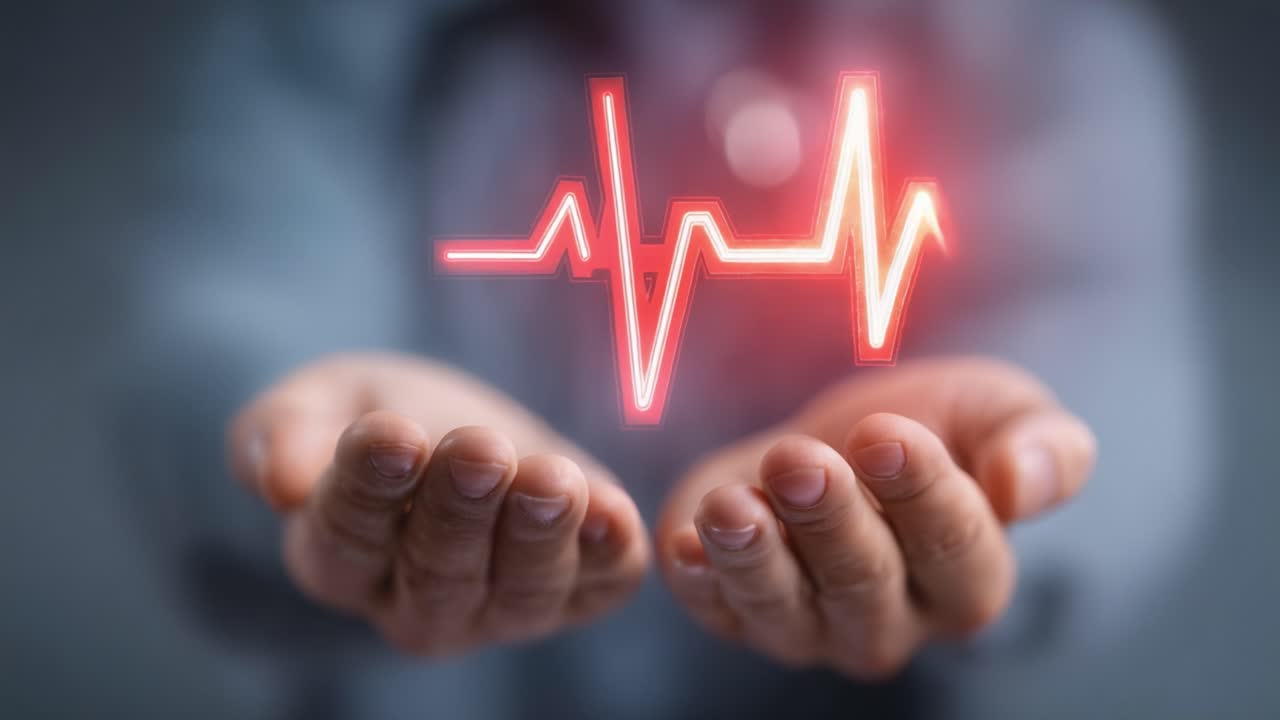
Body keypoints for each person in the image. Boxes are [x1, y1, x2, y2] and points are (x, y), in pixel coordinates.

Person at [2, 0, 1210, 717]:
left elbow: (1107, 339)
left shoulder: (1025, 43)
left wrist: (1011, 488)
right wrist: (291, 441)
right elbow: (230, 290)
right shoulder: (344, 33)